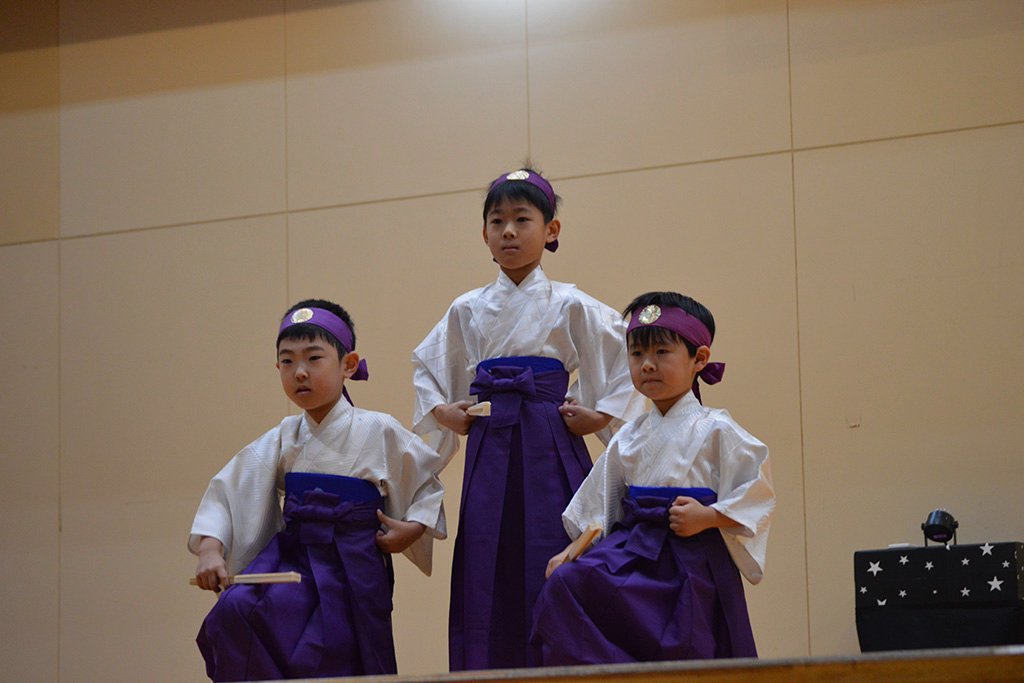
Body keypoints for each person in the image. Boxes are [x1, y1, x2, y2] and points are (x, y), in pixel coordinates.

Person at [412, 167, 645, 670]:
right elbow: (430, 367)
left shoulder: (572, 304)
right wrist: (442, 410)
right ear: (485, 236)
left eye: (522, 219)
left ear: (551, 230)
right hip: (490, 444)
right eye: (498, 222)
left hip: (550, 440)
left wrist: (598, 414)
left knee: (554, 554)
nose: (510, 232)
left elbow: (625, 360)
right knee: (485, 564)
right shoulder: (466, 309)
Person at [189, 299, 446, 681]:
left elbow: (426, 484)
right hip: (294, 562)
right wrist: (211, 549)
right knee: (235, 612)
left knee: (343, 658)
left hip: (355, 566)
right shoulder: (284, 437)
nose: (300, 373)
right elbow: (229, 490)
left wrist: (412, 527)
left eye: (313, 358)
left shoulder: (379, 429)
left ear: (348, 364)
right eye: (288, 361)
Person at [532, 291, 775, 664]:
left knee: (689, 649)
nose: (647, 365)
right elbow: (602, 503)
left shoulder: (718, 429)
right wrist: (573, 548)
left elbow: (757, 495)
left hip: (692, 559)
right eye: (637, 354)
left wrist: (708, 516)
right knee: (565, 586)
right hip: (633, 551)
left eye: (661, 352)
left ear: (700, 358)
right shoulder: (629, 435)